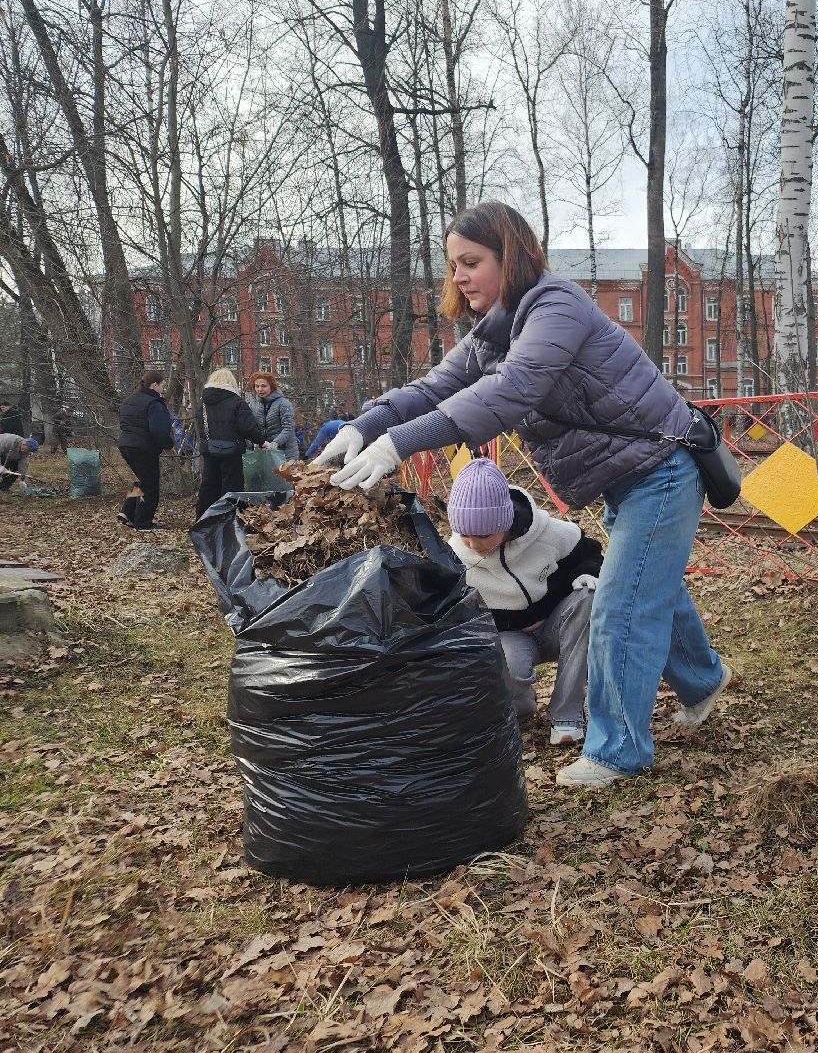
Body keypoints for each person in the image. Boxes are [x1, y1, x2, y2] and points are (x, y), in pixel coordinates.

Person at [316, 201, 732, 788]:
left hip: (662, 469)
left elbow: (513, 390)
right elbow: (435, 387)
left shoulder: (555, 306)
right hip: (625, 476)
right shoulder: (493, 331)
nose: (457, 277)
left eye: (470, 262)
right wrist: (367, 426)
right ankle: (703, 678)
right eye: (452, 265)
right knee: (645, 586)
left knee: (622, 605)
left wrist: (399, 446)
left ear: (509, 256)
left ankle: (617, 750)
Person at [446, 457, 602, 747]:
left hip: (559, 624)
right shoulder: (454, 557)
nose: (474, 544)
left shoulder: (546, 533)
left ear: (505, 522)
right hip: (509, 635)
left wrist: (587, 574)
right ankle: (521, 707)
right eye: (465, 534)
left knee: (588, 598)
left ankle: (567, 716)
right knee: (511, 671)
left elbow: (589, 551)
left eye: (483, 535)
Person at [195, 368, 264, 521]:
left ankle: (204, 519)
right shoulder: (236, 402)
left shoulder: (204, 403)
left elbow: (201, 426)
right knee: (231, 486)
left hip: (210, 450)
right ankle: (228, 519)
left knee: (209, 485)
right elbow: (248, 427)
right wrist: (261, 440)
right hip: (231, 451)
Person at [116, 370, 175, 530]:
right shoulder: (154, 403)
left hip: (125, 445)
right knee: (150, 486)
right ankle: (142, 522)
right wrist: (168, 445)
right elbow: (158, 429)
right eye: (162, 385)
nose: (163, 388)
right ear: (154, 385)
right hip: (144, 447)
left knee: (143, 480)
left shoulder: (129, 400)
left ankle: (127, 512)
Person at [248, 371, 299, 460]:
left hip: (285, 453)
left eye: (264, 386)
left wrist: (275, 443)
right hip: (263, 452)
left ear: (271, 386)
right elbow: (251, 426)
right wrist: (255, 441)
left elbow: (288, 428)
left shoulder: (283, 403)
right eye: (257, 386)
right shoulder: (253, 405)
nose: (260, 389)